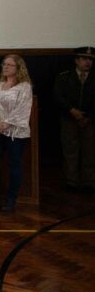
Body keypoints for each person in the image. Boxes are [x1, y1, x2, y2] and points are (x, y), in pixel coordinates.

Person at [0, 54, 34, 212]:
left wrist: (4, 125)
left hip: (15, 133)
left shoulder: (24, 86)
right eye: (4, 64)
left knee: (14, 165)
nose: (5, 67)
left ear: (18, 68)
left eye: (9, 65)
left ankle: (11, 199)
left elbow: (22, 110)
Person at [53, 46, 94, 192]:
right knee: (70, 150)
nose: (87, 62)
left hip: (90, 120)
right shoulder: (64, 76)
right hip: (68, 118)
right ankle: (71, 181)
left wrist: (88, 116)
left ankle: (89, 181)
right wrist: (72, 110)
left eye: (90, 59)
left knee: (90, 151)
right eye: (84, 59)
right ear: (76, 60)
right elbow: (58, 96)